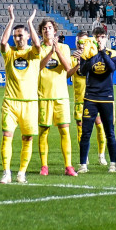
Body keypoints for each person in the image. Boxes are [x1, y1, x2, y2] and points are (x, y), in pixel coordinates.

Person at [0, 5, 41, 184]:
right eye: (15, 36)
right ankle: (6, 172)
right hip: (11, 102)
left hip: (30, 103)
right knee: (7, 136)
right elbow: (2, 43)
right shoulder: (9, 53)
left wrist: (30, 22)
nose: (18, 38)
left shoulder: (32, 53)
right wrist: (11, 20)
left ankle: (22, 172)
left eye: (21, 35)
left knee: (27, 138)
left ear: (28, 36)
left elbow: (38, 45)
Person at [34, 19, 77, 177]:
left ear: (55, 31)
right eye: (44, 28)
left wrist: (57, 51)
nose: (47, 30)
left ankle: (68, 166)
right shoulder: (37, 49)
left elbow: (68, 69)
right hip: (43, 96)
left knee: (64, 131)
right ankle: (44, 166)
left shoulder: (65, 48)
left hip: (61, 97)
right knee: (44, 131)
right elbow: (37, 67)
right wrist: (50, 52)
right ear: (41, 32)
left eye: (50, 28)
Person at [77, 27, 116, 173]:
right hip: (90, 97)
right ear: (93, 38)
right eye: (97, 37)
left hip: (107, 97)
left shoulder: (112, 53)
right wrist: (93, 54)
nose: (99, 39)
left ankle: (113, 164)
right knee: (86, 132)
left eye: (102, 36)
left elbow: (112, 67)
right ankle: (83, 164)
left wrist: (101, 52)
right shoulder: (86, 54)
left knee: (110, 132)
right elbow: (83, 71)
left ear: (106, 38)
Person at [68, 32, 109, 167]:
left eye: (84, 42)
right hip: (79, 99)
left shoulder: (95, 57)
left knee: (99, 125)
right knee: (80, 127)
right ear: (76, 43)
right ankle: (84, 157)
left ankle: (101, 155)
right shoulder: (72, 58)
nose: (81, 45)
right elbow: (67, 74)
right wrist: (79, 63)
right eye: (79, 42)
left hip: (94, 97)